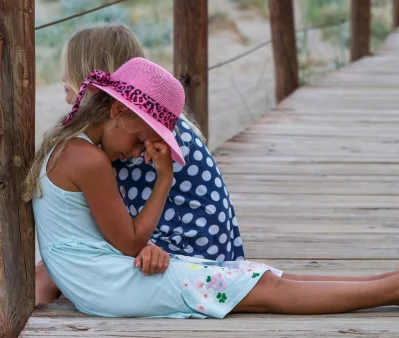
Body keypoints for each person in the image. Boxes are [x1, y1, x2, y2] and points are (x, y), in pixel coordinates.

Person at [27, 57, 399, 318]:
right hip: (111, 284)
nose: (140, 152)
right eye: (141, 139)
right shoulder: (89, 159)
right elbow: (129, 243)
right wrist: (164, 179)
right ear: (118, 111)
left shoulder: (72, 148)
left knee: (263, 278)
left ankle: (397, 280)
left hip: (105, 281)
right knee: (265, 290)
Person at [35, 24, 244, 305]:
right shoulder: (148, 120)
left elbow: (124, 236)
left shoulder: (139, 133)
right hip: (208, 244)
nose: (68, 98)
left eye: (70, 86)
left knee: (48, 274)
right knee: (48, 271)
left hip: (188, 249)